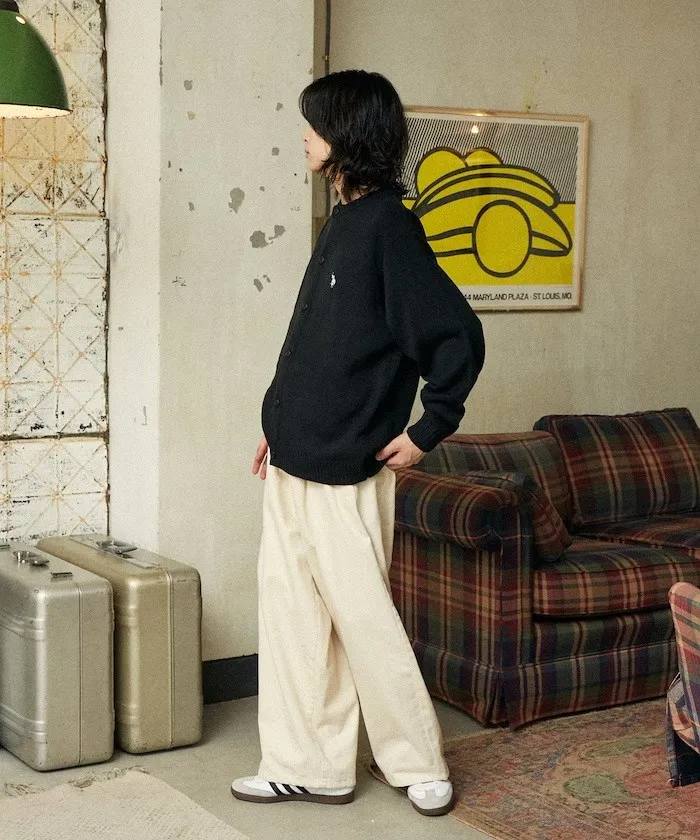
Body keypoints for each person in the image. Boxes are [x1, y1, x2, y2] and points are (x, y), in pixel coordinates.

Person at [231, 70, 485, 817]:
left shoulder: (388, 228)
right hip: (293, 459)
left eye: (314, 124)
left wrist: (428, 429)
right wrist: (276, 423)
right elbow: (316, 343)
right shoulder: (342, 222)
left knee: (365, 625)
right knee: (294, 623)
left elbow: (455, 336)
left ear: (346, 135)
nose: (304, 136)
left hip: (349, 468)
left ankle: (417, 762)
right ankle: (309, 766)